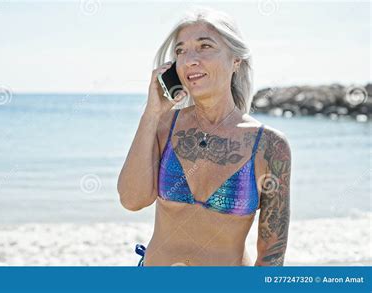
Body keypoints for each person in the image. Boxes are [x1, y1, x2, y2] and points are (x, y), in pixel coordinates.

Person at [118, 7, 291, 266]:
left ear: (236, 60)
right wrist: (151, 113)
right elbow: (132, 200)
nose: (189, 60)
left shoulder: (268, 145)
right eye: (180, 51)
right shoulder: (164, 125)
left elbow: (272, 254)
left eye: (204, 46)